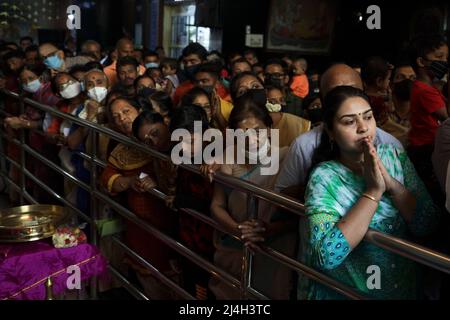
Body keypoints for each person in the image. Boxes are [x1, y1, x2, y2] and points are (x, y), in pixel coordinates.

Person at [299, 85, 439, 299]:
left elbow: (427, 224)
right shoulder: (325, 177)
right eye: (349, 121)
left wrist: (391, 184)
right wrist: (373, 193)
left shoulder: (394, 157)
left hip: (405, 288)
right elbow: (326, 256)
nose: (363, 128)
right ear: (330, 131)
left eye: (368, 117)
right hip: (350, 292)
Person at [209, 94, 297, 299]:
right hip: (234, 246)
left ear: (269, 129)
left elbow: (296, 211)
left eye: (257, 131)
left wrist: (267, 230)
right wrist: (240, 231)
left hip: (274, 248)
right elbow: (217, 205)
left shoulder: (286, 158)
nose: (251, 139)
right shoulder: (228, 162)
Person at [274, 64, 403, 196]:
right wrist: (322, 189)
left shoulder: (392, 147)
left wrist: (393, 186)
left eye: (352, 90)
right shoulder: (305, 148)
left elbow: (419, 208)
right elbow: (280, 194)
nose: (363, 128)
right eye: (349, 121)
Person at [100, 97, 178, 299]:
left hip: (177, 225)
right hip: (144, 230)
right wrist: (129, 181)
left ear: (139, 110)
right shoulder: (122, 150)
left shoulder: (175, 139)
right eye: (116, 117)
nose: (122, 119)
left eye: (126, 111)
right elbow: (108, 177)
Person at [168, 105, 216, 299]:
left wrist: (179, 200)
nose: (185, 146)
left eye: (191, 140)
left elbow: (211, 204)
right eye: (180, 141)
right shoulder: (182, 159)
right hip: (188, 239)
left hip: (209, 245)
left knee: (206, 290)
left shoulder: (215, 160)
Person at [407, 34, 448, 189]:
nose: (444, 62)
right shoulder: (425, 91)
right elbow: (447, 118)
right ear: (421, 61)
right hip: (426, 149)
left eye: (446, 57)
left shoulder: (425, 87)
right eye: (439, 56)